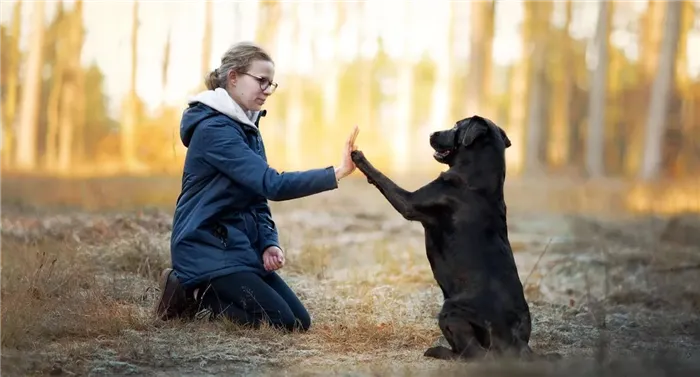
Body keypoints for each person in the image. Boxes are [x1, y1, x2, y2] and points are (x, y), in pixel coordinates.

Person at [154, 41, 359, 332]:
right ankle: (194, 297)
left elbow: (257, 194)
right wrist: (335, 173)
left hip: (237, 248)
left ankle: (207, 295)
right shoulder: (215, 130)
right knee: (282, 322)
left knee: (300, 321)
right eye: (261, 81)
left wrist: (268, 242)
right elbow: (272, 184)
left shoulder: (246, 127)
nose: (266, 90)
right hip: (204, 247)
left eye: (271, 84)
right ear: (233, 77)